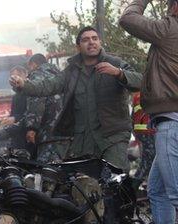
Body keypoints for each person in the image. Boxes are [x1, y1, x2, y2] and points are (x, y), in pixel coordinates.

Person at [9, 26, 142, 171]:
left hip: (112, 137)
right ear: (78, 47)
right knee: (85, 183)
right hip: (83, 139)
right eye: (86, 40)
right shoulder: (71, 71)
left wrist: (119, 73)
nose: (91, 42)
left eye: (94, 38)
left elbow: (140, 81)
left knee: (114, 178)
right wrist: (23, 85)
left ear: (100, 42)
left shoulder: (115, 63)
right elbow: (48, 85)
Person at [120, 0, 178, 224]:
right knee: (157, 189)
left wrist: (139, 1)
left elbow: (128, 20)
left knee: (174, 192)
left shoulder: (171, 28)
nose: (168, 8)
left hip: (172, 121)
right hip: (170, 120)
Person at [22, 54, 66, 163]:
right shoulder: (60, 74)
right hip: (67, 129)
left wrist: (32, 128)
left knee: (47, 168)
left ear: (33, 64)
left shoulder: (37, 75)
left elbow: (36, 101)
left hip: (49, 128)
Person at [131, 92, 155, 183]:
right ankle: (136, 182)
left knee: (147, 158)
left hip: (141, 131)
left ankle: (138, 180)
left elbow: (132, 116)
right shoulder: (153, 93)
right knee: (149, 159)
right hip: (149, 131)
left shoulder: (137, 95)